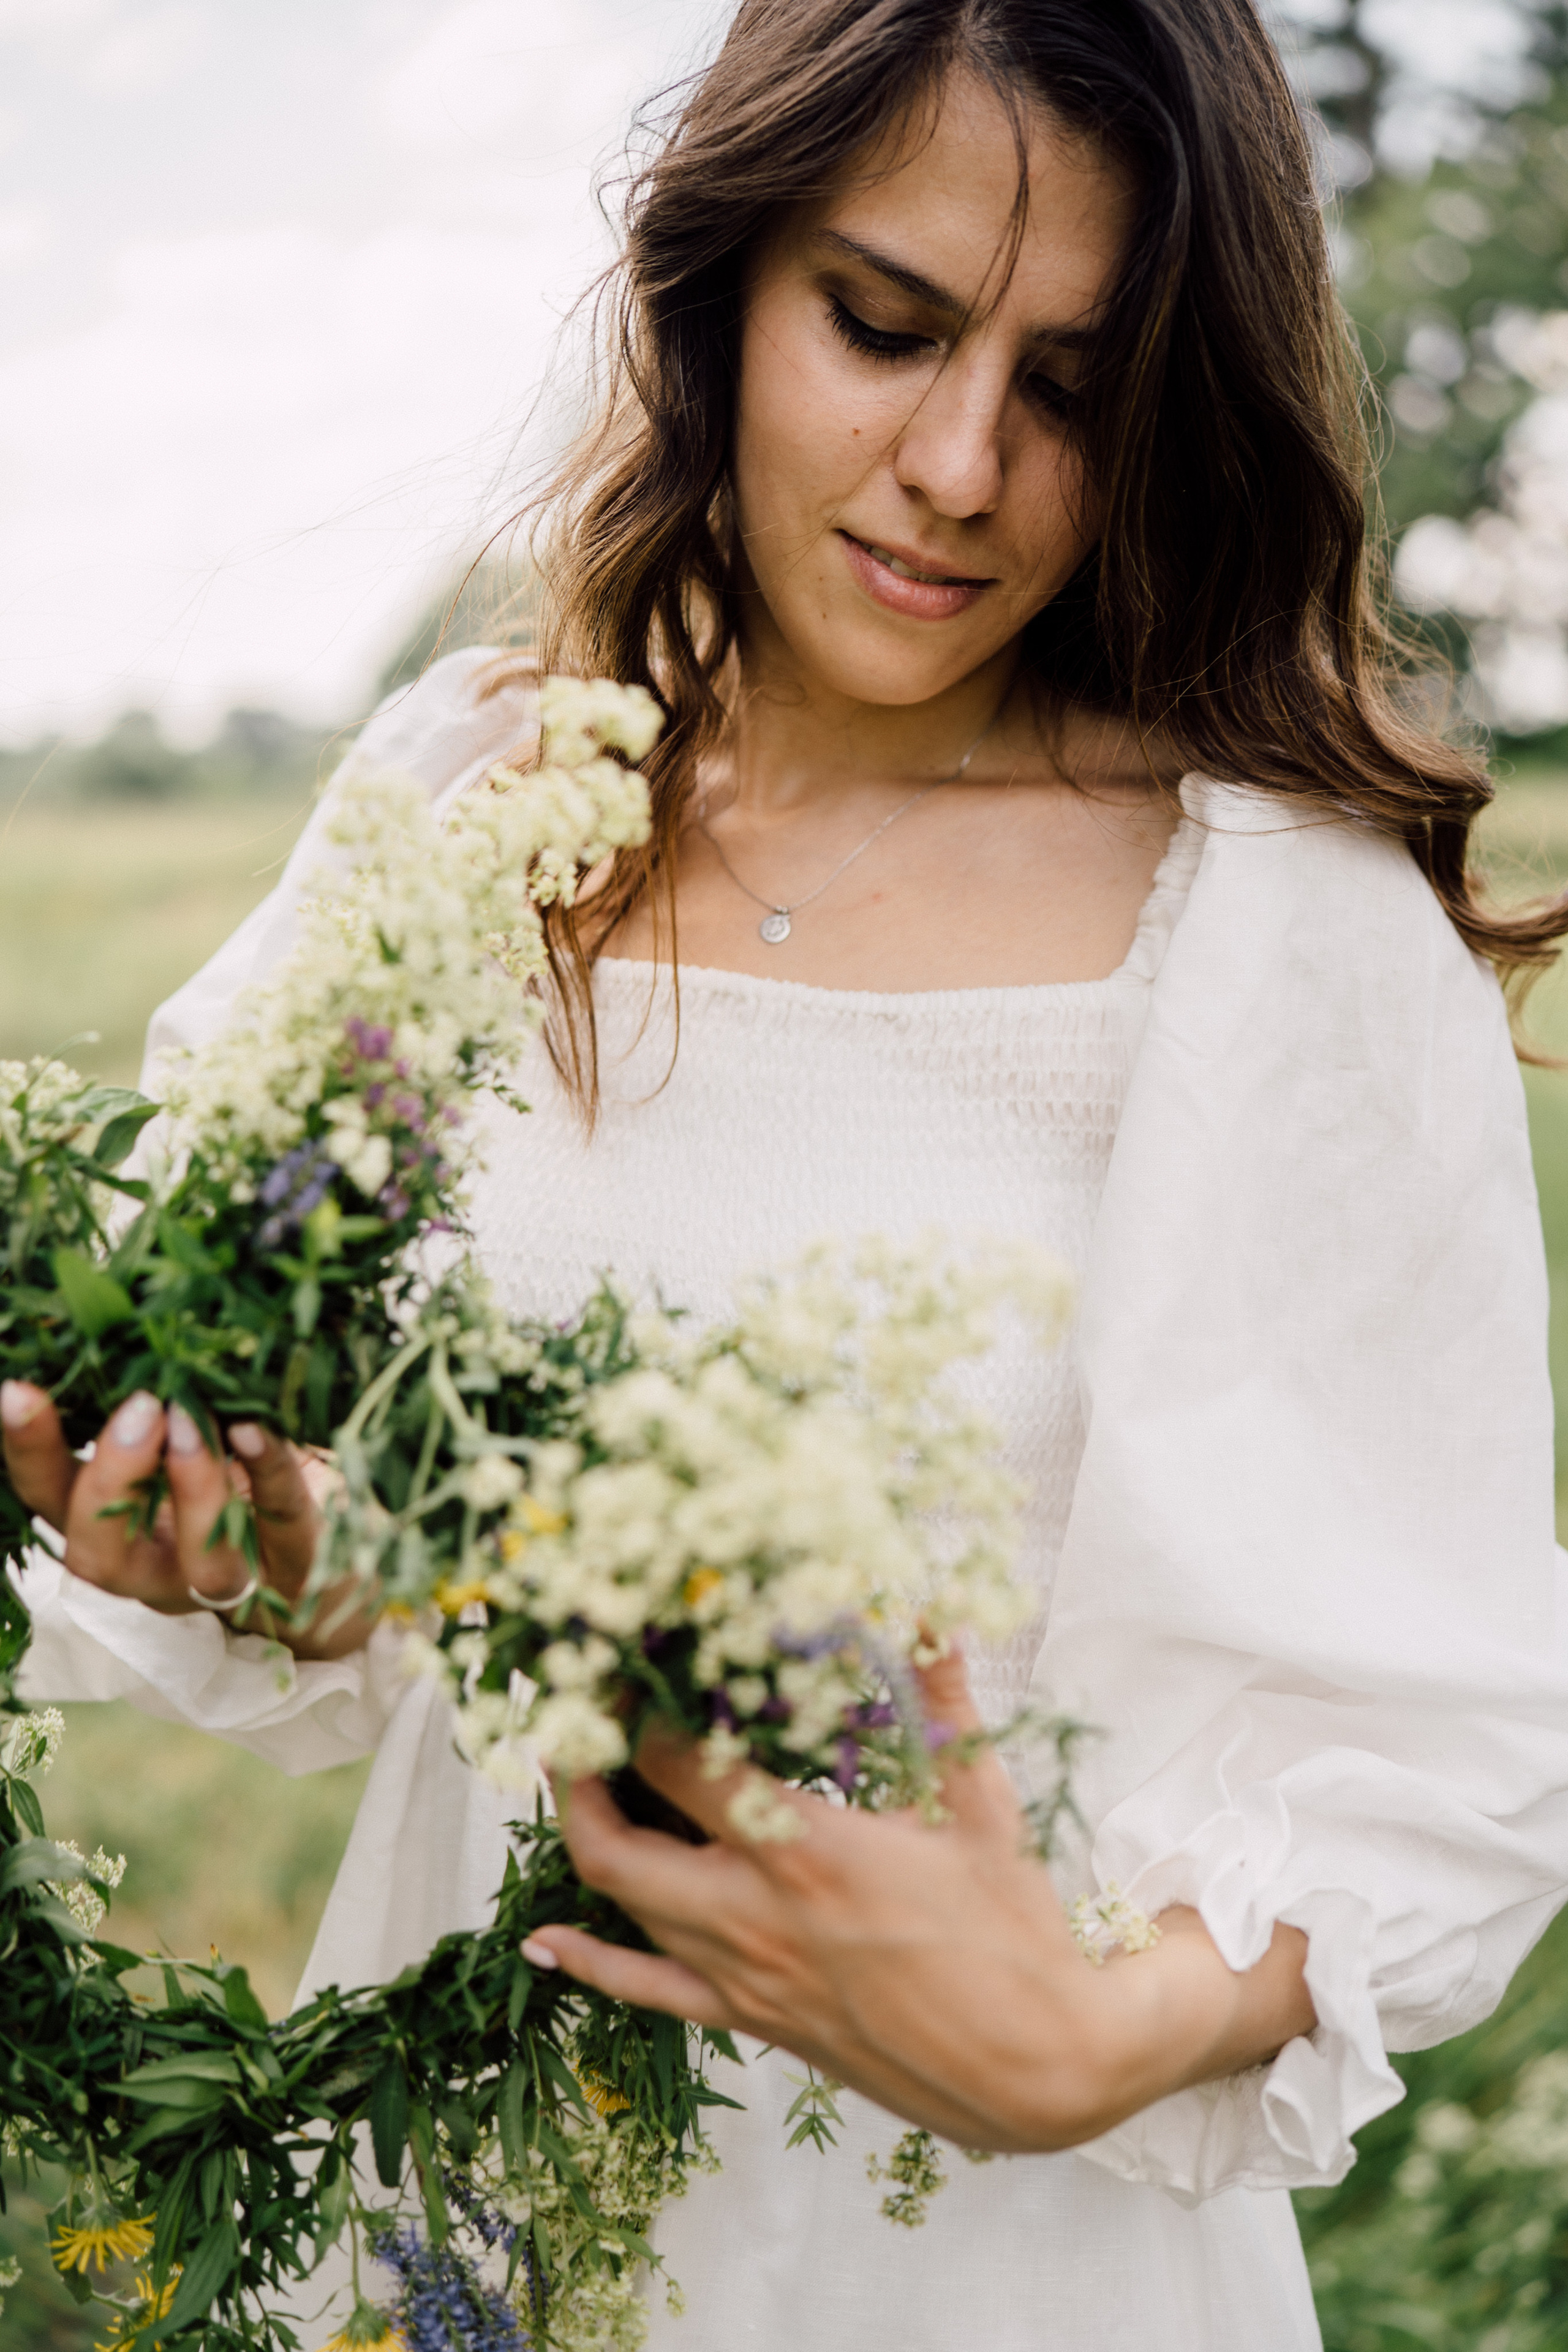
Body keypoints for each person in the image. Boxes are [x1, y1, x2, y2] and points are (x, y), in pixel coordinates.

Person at [6, 0, 1568, 2343]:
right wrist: (264, 1550)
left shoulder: (1273, 928)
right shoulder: (471, 803)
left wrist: (1081, 2042)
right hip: (459, 2219)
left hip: (985, 2251)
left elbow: (1431, 1730)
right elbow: (340, 1549)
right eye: (886, 323)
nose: (958, 464)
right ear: (718, 278)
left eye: (1066, 383)